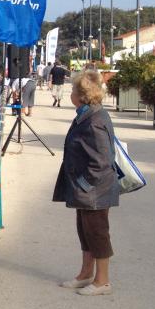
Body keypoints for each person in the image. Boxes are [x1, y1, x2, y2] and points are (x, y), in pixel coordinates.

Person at [52, 69, 119, 296]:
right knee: (85, 231)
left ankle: (103, 281)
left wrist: (83, 184)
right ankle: (85, 274)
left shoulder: (94, 121)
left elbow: (102, 161)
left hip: (95, 190)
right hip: (88, 190)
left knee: (98, 232)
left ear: (82, 95)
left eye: (72, 89)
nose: (70, 92)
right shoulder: (87, 114)